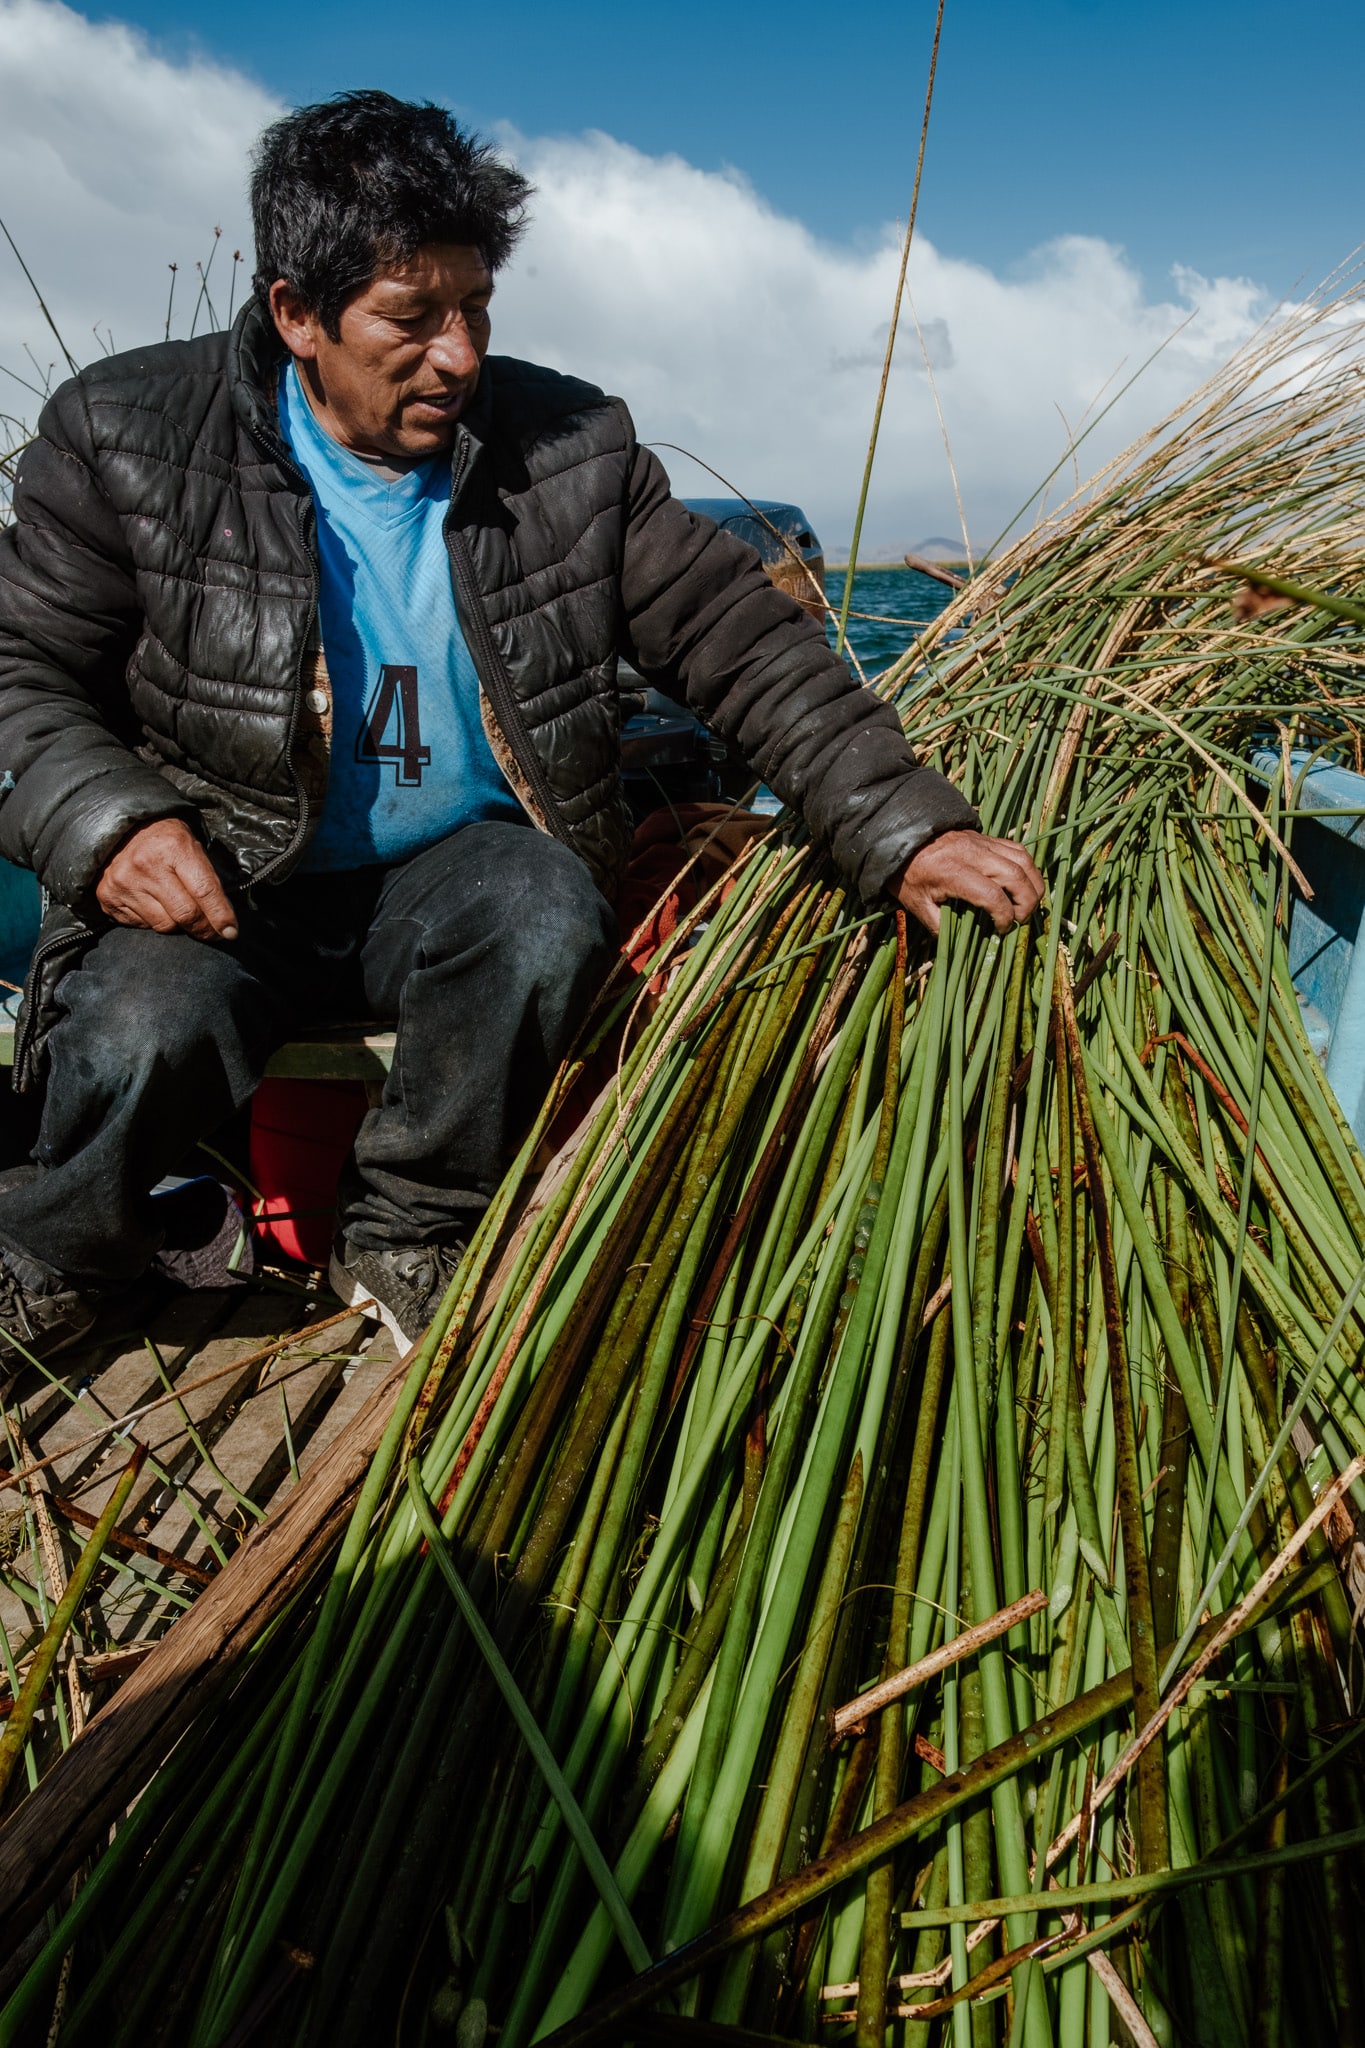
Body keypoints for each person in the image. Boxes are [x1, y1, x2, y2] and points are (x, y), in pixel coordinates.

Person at [0, 91, 1044, 1358]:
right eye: (411, 317)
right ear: (295, 315)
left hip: (450, 877)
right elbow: (17, 669)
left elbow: (744, 644)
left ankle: (414, 1226)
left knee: (544, 907)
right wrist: (113, 822)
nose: (457, 354)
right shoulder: (123, 436)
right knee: (139, 1025)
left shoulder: (574, 449)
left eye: (475, 308)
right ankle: (57, 1252)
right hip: (228, 870)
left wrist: (903, 828)